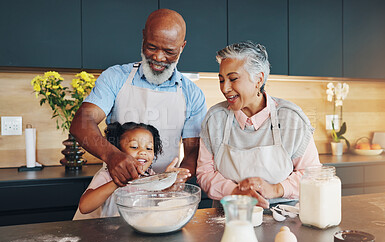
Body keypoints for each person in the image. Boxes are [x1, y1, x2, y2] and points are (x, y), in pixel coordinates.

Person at [70, 9, 206, 187]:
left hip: (164, 192)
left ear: (182, 47)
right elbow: (82, 121)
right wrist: (111, 155)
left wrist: (179, 176)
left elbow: (193, 151)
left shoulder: (192, 94)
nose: (158, 57)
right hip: (117, 189)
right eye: (151, 47)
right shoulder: (115, 77)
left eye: (169, 51)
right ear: (143, 36)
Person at [196, 41, 321, 208]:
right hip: (228, 217)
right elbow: (204, 173)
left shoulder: (291, 119)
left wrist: (276, 189)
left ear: (258, 79)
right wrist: (235, 192)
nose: (225, 88)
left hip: (283, 218)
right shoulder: (215, 119)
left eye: (233, 79)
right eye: (221, 80)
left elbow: (313, 175)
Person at [73, 122, 190, 220]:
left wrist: (167, 183)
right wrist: (118, 181)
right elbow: (84, 207)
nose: (143, 152)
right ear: (118, 151)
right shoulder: (107, 175)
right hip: (105, 236)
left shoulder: (150, 176)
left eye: (149, 148)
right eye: (134, 147)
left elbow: (157, 201)